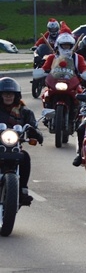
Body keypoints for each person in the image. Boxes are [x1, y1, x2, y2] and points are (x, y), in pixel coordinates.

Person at [0, 78, 42, 206]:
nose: (8, 96)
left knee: (25, 157)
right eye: (5, 93)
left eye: (11, 94)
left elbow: (34, 127)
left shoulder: (24, 111)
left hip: (14, 147)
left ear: (16, 95)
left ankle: (23, 190)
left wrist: (34, 132)